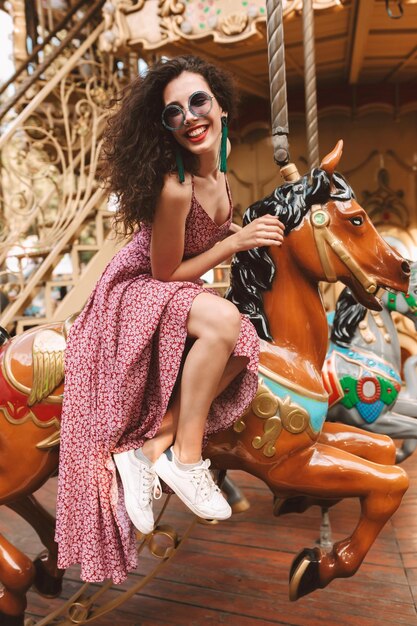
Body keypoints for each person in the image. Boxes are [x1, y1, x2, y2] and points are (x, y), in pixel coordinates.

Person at [55, 55, 285, 583]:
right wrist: (234, 242)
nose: (189, 116)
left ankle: (148, 448)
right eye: (173, 112)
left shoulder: (221, 175)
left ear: (221, 107)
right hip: (136, 291)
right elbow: (164, 273)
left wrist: (251, 235)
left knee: (245, 341)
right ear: (165, 129)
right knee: (227, 323)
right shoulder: (175, 187)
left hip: (174, 288)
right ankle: (184, 459)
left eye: (198, 101)